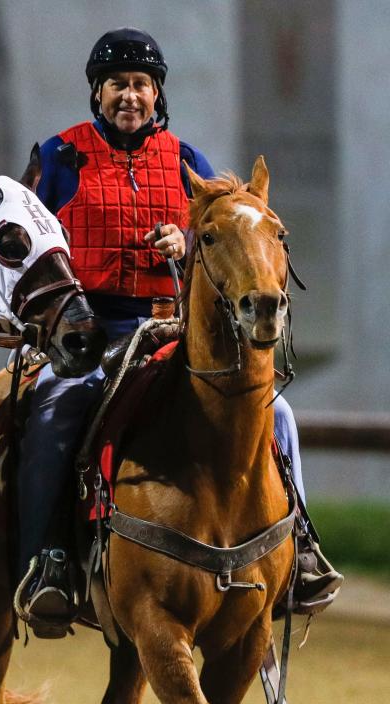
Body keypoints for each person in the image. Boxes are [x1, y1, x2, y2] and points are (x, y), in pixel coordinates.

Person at [18, 27, 342, 634]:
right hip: (90, 327)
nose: (130, 97)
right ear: (98, 92)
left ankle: (297, 548)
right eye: (118, 84)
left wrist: (187, 240)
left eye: (141, 85)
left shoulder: (188, 162)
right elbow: (26, 248)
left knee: (278, 416)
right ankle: (50, 560)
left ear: (156, 93)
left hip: (173, 329)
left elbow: (230, 240)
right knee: (58, 403)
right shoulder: (59, 158)